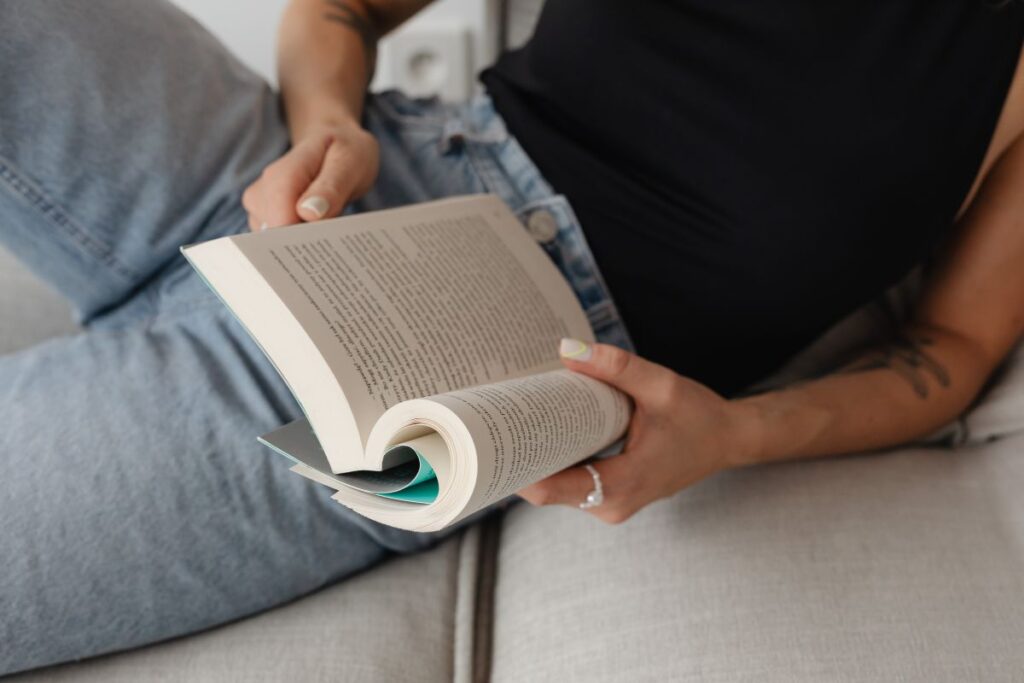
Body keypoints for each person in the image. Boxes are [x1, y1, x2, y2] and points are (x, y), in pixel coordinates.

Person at [2, 0, 1022, 674]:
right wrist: (327, 123)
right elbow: (341, 9)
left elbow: (946, 351)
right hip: (308, 170)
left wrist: (732, 434)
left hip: (465, 369)